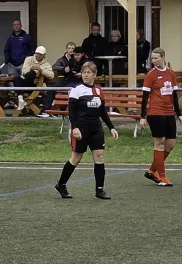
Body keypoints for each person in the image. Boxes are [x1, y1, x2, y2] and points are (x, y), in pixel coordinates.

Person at [54, 61, 119, 200]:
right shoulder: (76, 90)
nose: (86, 75)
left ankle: (99, 190)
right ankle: (61, 184)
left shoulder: (98, 90)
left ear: (94, 75)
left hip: (96, 128)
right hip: (81, 128)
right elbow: (71, 112)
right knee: (76, 158)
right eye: (84, 72)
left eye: (89, 73)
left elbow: (102, 111)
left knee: (99, 156)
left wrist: (111, 127)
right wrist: (75, 128)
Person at [139, 48, 182, 187]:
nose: (153, 61)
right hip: (155, 113)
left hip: (169, 113)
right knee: (159, 144)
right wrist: (143, 116)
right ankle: (162, 177)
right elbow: (145, 97)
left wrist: (179, 114)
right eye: (152, 59)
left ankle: (152, 170)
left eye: (156, 58)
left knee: (170, 145)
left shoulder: (170, 73)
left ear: (163, 57)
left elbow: (174, 95)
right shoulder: (151, 75)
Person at [37, 44, 85, 118]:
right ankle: (45, 110)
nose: (76, 57)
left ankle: (60, 110)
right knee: (51, 89)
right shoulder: (71, 61)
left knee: (65, 90)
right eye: (75, 55)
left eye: (78, 55)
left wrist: (82, 74)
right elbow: (57, 68)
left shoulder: (86, 62)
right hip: (66, 80)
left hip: (78, 82)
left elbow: (90, 72)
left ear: (82, 54)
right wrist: (64, 69)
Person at [13, 46, 54, 111]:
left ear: (44, 55)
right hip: (26, 81)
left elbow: (51, 75)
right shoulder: (29, 59)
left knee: (32, 73)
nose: (38, 55)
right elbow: (24, 71)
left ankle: (21, 99)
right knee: (16, 78)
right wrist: (31, 69)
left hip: (34, 86)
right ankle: (20, 98)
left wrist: (41, 70)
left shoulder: (46, 64)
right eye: (37, 53)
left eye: (40, 54)